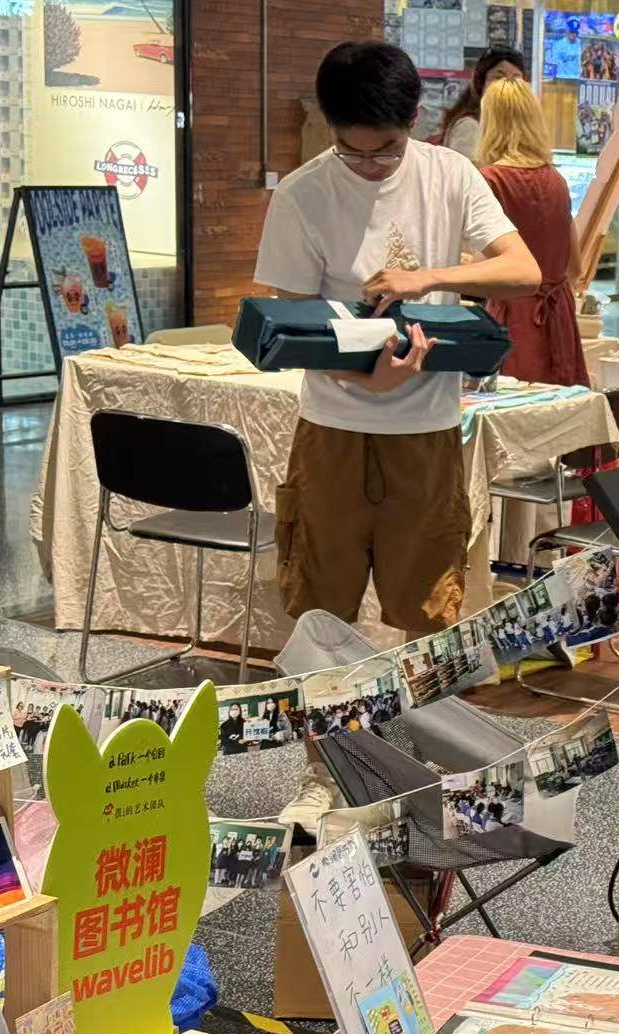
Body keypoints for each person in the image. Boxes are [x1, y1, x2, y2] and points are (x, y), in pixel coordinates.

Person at [255, 40, 539, 640]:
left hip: (427, 431)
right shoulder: (303, 194)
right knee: (319, 607)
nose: (369, 165)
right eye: (350, 151)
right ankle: (328, 708)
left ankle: (422, 707)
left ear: (414, 119)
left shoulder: (450, 173)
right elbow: (297, 324)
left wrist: (430, 277)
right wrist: (365, 377)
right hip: (332, 429)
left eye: (385, 149)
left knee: (429, 608)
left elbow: (524, 270)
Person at [477, 78, 589, 388]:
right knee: (560, 407)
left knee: (514, 406)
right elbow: (575, 268)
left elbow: (486, 269)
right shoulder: (556, 180)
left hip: (513, 317)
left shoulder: (490, 180)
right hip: (558, 315)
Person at [440, 45, 527, 164]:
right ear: (481, 83)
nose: (507, 85)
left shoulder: (521, 126)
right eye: (499, 77)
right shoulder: (469, 127)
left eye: (516, 78)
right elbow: (466, 173)